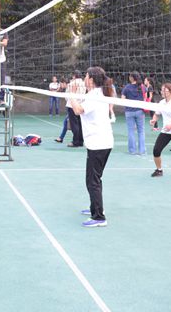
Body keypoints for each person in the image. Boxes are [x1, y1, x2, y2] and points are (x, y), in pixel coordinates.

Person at [70, 67, 114, 228]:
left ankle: (99, 217)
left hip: (98, 144)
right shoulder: (98, 93)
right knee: (95, 179)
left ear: (91, 80)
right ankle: (94, 208)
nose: (84, 79)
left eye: (86, 76)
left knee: (92, 181)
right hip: (102, 142)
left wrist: (71, 95)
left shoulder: (95, 96)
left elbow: (78, 110)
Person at [121, 72, 146, 155]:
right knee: (141, 131)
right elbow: (145, 98)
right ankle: (142, 150)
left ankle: (132, 150)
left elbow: (122, 99)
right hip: (140, 111)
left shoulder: (127, 87)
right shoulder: (142, 87)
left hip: (129, 111)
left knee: (131, 131)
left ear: (132, 78)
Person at [66, 70, 85, 147]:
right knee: (80, 124)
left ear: (74, 75)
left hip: (72, 105)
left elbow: (68, 95)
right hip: (81, 105)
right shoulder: (84, 83)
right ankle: (80, 141)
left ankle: (75, 141)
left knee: (74, 125)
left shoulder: (72, 83)